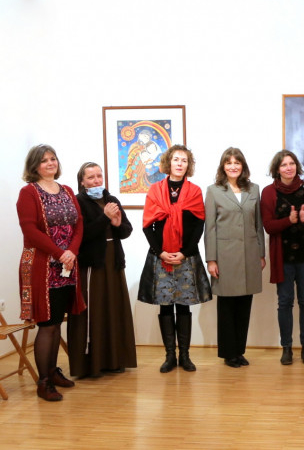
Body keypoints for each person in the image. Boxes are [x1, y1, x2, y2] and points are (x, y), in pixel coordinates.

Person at [17, 144, 85, 401]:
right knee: (46, 324)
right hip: (42, 266)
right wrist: (59, 253)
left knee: (57, 322)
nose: (50, 163)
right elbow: (29, 230)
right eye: (44, 160)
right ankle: (43, 382)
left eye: (53, 158)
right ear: (35, 166)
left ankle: (53, 372)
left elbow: (78, 224)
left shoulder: (66, 190)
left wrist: (72, 252)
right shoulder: (28, 192)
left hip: (66, 266)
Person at [138, 145, 212, 373]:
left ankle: (185, 357)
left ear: (189, 165)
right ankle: (170, 356)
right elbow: (147, 226)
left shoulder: (195, 191)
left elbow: (199, 224)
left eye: (184, 160)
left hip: (185, 257)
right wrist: (160, 251)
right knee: (166, 307)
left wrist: (185, 252)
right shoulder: (155, 190)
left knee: (183, 306)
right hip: (161, 257)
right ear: (168, 162)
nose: (180, 164)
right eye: (176, 159)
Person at [68, 162, 136, 378]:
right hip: (92, 263)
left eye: (99, 176)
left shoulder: (111, 199)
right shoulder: (77, 202)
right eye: (91, 177)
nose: (96, 180)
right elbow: (81, 236)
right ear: (82, 181)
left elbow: (126, 231)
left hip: (113, 261)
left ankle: (115, 360)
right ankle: (91, 364)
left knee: (113, 308)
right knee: (94, 311)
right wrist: (104, 218)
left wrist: (117, 224)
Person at [205, 148, 266, 368]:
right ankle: (228, 353)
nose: (233, 166)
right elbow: (210, 228)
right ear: (223, 166)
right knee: (227, 306)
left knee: (244, 305)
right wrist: (211, 259)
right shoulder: (214, 191)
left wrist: (261, 253)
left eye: (237, 162)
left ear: (243, 166)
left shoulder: (254, 189)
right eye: (229, 162)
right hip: (225, 256)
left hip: (249, 254)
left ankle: (239, 351)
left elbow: (258, 225)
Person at [261, 150, 304, 365]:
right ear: (277, 169)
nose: (289, 168)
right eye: (284, 165)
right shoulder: (268, 192)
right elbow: (268, 226)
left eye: (292, 164)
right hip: (283, 257)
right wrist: (289, 220)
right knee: (285, 302)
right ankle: (286, 347)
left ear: (297, 166)